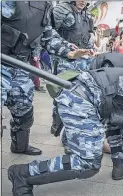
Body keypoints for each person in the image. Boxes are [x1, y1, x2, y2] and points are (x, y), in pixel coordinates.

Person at [7, 63, 123, 196]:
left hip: (79, 95)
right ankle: (23, 174)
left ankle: (115, 164)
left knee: (99, 145)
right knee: (87, 163)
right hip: (80, 100)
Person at [1, 1, 90, 156]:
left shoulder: (44, 6)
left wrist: (69, 52)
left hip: (21, 65)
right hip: (2, 62)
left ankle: (19, 147)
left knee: (24, 111)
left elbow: (48, 37)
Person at [50, 0, 96, 137]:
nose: (83, 1)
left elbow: (88, 34)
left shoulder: (86, 13)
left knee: (80, 95)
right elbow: (49, 32)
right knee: (62, 95)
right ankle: (59, 127)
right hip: (64, 59)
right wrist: (65, 46)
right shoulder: (61, 9)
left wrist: (90, 49)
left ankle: (72, 130)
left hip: (82, 60)